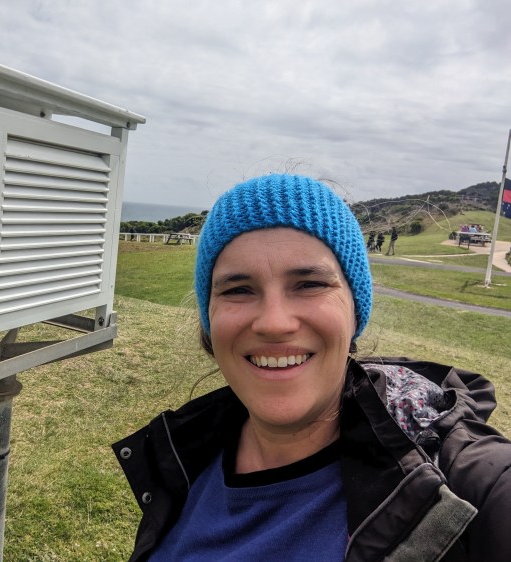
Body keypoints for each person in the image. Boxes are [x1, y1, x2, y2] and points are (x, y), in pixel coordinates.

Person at [113, 174, 511, 561]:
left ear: (355, 311)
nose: (273, 322)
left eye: (309, 284)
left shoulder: (464, 482)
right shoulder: (186, 454)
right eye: (238, 289)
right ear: (210, 318)